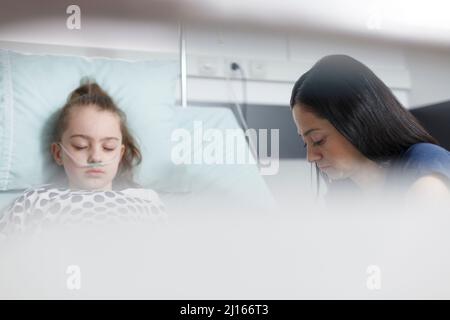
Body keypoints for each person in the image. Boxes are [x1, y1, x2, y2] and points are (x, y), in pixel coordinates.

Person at [0, 80, 166, 235]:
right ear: (58, 153)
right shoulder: (34, 201)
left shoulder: (146, 202)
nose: (95, 157)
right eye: (81, 146)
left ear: (120, 155)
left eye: (108, 147)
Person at [289, 54, 449, 205]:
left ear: (356, 122)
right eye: (305, 143)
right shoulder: (343, 192)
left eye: (318, 140)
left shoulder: (426, 177)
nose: (310, 157)